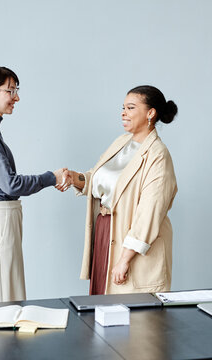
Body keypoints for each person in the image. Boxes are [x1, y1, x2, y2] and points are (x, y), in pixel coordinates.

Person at [0, 64, 69, 303]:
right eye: (10, 91)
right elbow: (10, 185)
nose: (16, 97)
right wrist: (52, 177)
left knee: (2, 298)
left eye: (16, 90)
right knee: (2, 302)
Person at [69, 85, 178, 295]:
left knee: (131, 318)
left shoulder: (158, 155)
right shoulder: (121, 142)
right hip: (105, 230)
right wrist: (75, 178)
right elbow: (97, 179)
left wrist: (125, 258)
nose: (123, 113)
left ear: (150, 113)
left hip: (132, 242)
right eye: (123, 108)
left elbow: (150, 213)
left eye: (130, 108)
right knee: (101, 307)